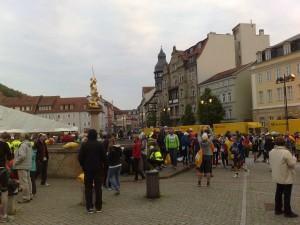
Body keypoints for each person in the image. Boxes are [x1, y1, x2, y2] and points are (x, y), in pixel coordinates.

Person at [78, 129, 107, 214]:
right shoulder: (100, 145)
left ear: (88, 135)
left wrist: (83, 166)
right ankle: (98, 207)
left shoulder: (84, 145)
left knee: (88, 188)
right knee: (98, 188)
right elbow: (104, 158)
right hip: (98, 169)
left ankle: (89, 207)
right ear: (95, 135)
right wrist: (104, 167)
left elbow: (80, 158)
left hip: (88, 169)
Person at [269, 136, 298, 218]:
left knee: (278, 193)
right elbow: (291, 164)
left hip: (277, 175)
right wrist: (294, 158)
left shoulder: (271, 151)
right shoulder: (286, 152)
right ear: (284, 143)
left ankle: (277, 209)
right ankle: (287, 212)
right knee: (287, 195)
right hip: (286, 176)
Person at [13, 133, 33, 203]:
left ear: (24, 137)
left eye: (20, 137)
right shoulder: (29, 144)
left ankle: (25, 197)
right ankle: (30, 195)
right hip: (27, 165)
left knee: (23, 182)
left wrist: (16, 162)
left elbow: (22, 156)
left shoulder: (23, 145)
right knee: (28, 181)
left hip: (22, 165)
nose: (19, 138)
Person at [0, 132, 13, 222]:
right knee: (4, 192)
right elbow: (10, 157)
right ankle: (4, 215)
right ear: (7, 139)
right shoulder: (5, 145)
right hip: (1, 170)